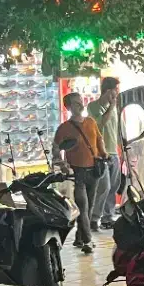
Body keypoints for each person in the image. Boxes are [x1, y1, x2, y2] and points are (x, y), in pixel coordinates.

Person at [54, 92, 107, 254]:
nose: (80, 104)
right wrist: (62, 164)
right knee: (83, 206)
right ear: (68, 107)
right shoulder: (64, 128)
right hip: (77, 172)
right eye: (76, 103)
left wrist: (103, 153)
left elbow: (99, 139)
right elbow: (56, 148)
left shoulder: (91, 122)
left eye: (81, 101)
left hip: (94, 170)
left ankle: (79, 236)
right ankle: (88, 241)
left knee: (89, 207)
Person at [87, 77, 122, 230]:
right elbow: (100, 124)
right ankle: (95, 217)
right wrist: (112, 106)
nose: (117, 93)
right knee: (104, 186)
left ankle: (108, 216)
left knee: (114, 186)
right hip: (101, 152)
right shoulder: (93, 107)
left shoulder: (115, 109)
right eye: (115, 90)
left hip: (114, 152)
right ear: (108, 91)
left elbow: (119, 129)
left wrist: (124, 148)